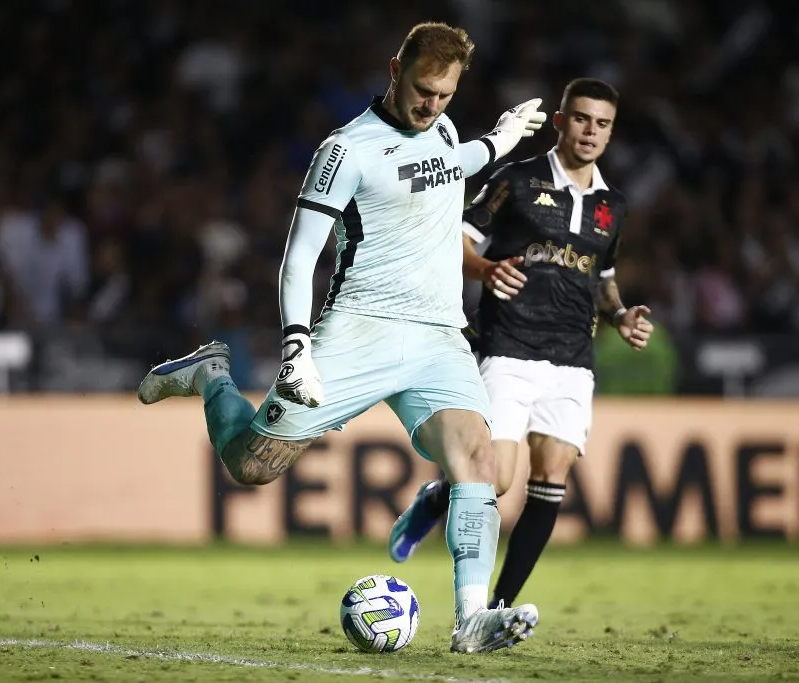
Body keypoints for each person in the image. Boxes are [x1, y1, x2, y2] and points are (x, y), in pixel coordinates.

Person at [137, 22, 547, 653]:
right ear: (394, 69)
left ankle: (470, 621)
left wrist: (497, 139)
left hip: (438, 335)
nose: (431, 105)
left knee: (481, 463)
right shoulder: (346, 149)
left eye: (444, 94)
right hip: (361, 326)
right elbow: (300, 258)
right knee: (252, 466)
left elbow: (451, 160)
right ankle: (211, 373)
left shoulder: (440, 128)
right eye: (421, 90)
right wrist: (297, 343)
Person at [388, 78, 655, 609]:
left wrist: (622, 315)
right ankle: (436, 498)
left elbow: (602, 277)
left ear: (611, 132)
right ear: (560, 121)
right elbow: (459, 240)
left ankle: (498, 607)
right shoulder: (519, 179)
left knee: (552, 476)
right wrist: (485, 268)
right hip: (507, 348)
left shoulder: (613, 206)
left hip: (574, 358)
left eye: (602, 123)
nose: (590, 131)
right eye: (581, 118)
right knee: (498, 482)